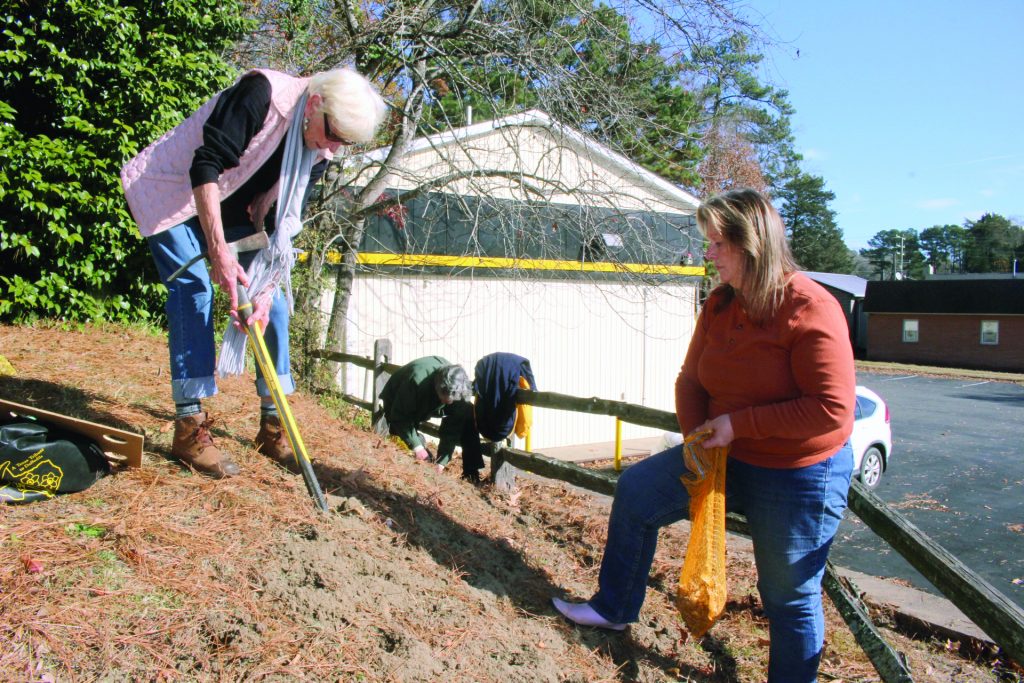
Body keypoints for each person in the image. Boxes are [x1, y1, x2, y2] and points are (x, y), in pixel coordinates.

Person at [552, 188, 856, 683]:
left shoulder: (810, 308)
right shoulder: (718, 304)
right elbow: (690, 380)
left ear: (752, 246)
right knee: (635, 492)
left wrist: (740, 424)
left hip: (797, 473)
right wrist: (698, 438)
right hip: (721, 453)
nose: (707, 254)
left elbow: (832, 409)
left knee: (788, 594)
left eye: (717, 244)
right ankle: (614, 607)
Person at [121, 67, 388, 478]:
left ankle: (272, 425)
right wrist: (219, 256)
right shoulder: (260, 95)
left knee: (274, 307)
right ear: (315, 104)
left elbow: (282, 220)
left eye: (344, 142)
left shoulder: (320, 149)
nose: (333, 147)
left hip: (234, 210)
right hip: (174, 195)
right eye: (332, 133)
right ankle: (189, 428)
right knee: (195, 290)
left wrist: (263, 290)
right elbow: (205, 165)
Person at [378, 357, 480, 480]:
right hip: (397, 396)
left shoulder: (459, 390)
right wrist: (418, 447)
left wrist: (441, 462)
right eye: (444, 399)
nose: (448, 403)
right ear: (438, 388)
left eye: (451, 401)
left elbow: (452, 428)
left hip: (425, 399)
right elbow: (400, 416)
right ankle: (420, 445)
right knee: (398, 430)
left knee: (467, 413)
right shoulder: (416, 380)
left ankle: (470, 474)